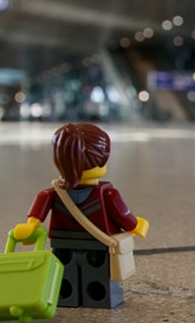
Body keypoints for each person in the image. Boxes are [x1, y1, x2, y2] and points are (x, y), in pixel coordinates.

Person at [12, 123, 149, 308]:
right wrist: (136, 225)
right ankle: (95, 298)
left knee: (66, 275)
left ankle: (66, 297)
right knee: (96, 277)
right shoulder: (108, 194)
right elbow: (123, 217)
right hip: (97, 243)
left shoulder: (53, 193)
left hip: (63, 241)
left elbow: (38, 213)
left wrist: (30, 226)